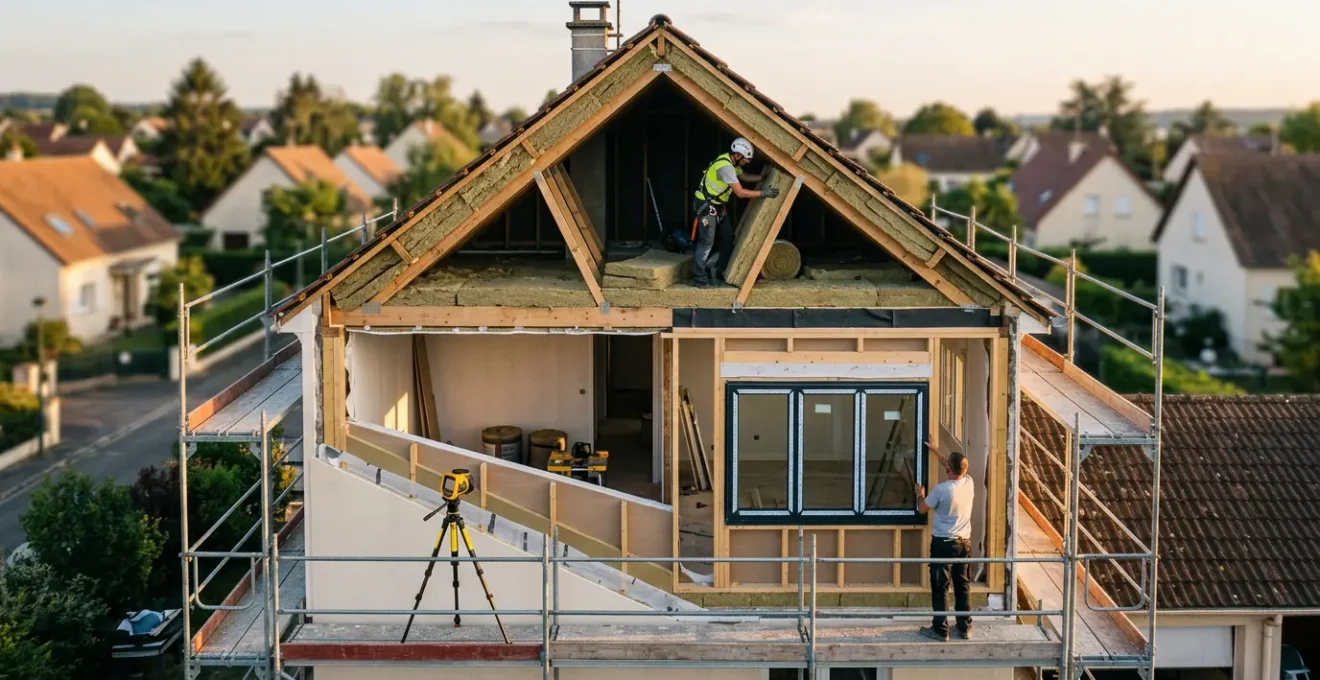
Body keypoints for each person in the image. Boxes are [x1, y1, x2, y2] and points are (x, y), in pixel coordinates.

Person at [691, 137, 779, 288]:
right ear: (737, 155)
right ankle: (699, 278)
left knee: (727, 236)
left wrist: (762, 177)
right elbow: (740, 192)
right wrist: (764, 193)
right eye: (746, 159)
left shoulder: (731, 162)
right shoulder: (726, 168)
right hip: (706, 206)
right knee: (706, 242)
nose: (748, 162)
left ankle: (719, 269)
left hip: (717, 206)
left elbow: (744, 176)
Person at [915, 442, 974, 641]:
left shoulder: (941, 490)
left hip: (943, 543)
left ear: (949, 469)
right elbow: (950, 465)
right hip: (964, 543)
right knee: (962, 585)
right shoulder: (969, 483)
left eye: (946, 465)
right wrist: (935, 450)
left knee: (940, 586)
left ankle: (940, 630)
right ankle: (964, 627)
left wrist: (919, 494)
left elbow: (922, 508)